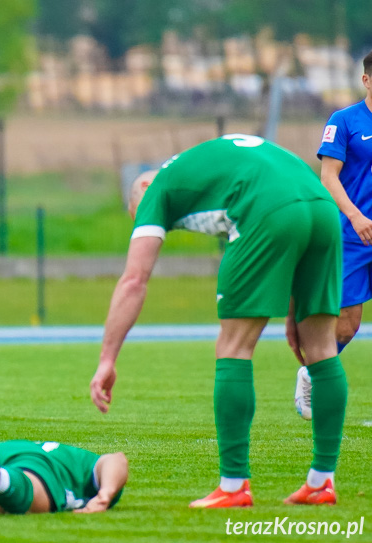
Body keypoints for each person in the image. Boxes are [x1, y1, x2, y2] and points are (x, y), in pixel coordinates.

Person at [89, 134, 347, 508]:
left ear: (143, 186)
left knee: (233, 346)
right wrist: (295, 309)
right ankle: (322, 481)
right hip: (321, 206)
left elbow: (133, 281)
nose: (153, 222)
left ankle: (233, 486)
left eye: (139, 214)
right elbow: (287, 198)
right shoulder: (205, 163)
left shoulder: (156, 186)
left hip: (266, 207)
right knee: (322, 348)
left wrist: (107, 360)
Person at [294, 49, 372, 420]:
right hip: (353, 235)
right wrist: (356, 217)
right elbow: (328, 178)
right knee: (347, 323)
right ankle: (311, 374)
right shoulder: (344, 121)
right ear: (366, 80)